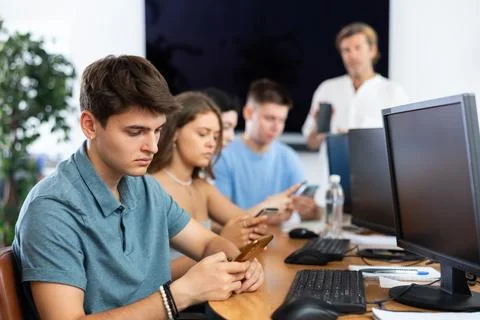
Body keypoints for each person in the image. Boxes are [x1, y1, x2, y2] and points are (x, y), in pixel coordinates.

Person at [12, 55, 263, 319]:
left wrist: (242, 263)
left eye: (157, 131)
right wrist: (181, 294)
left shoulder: (142, 186)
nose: (153, 147)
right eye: (135, 132)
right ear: (89, 125)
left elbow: (207, 243)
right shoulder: (51, 210)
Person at [148, 91, 272, 279]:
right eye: (203, 134)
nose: (211, 144)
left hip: (210, 291)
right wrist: (223, 242)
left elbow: (246, 221)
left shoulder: (202, 187)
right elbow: (150, 276)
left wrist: (250, 230)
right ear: (174, 132)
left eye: (215, 137)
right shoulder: (151, 187)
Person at [302, 22, 408, 206]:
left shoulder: (393, 92)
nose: (352, 55)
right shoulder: (327, 89)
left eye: (358, 48)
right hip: (330, 193)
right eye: (346, 50)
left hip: (375, 193)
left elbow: (403, 145)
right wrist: (319, 131)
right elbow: (311, 142)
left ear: (373, 50)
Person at [214, 79, 321, 224]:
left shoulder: (288, 157)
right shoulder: (223, 155)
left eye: (281, 120)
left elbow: (306, 214)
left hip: (278, 240)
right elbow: (220, 219)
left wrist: (310, 211)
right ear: (248, 113)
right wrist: (267, 214)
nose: (276, 127)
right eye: (270, 118)